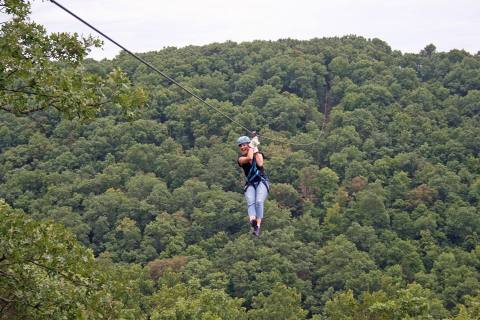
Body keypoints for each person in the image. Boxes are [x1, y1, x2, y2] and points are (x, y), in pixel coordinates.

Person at [237, 135, 269, 236]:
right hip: (250, 183)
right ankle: (252, 221)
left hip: (261, 181)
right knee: (251, 202)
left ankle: (257, 227)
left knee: (259, 201)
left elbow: (260, 164)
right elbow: (249, 157)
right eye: (240, 146)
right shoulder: (241, 159)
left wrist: (254, 146)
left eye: (244, 145)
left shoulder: (257, 154)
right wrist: (252, 144)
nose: (242, 147)